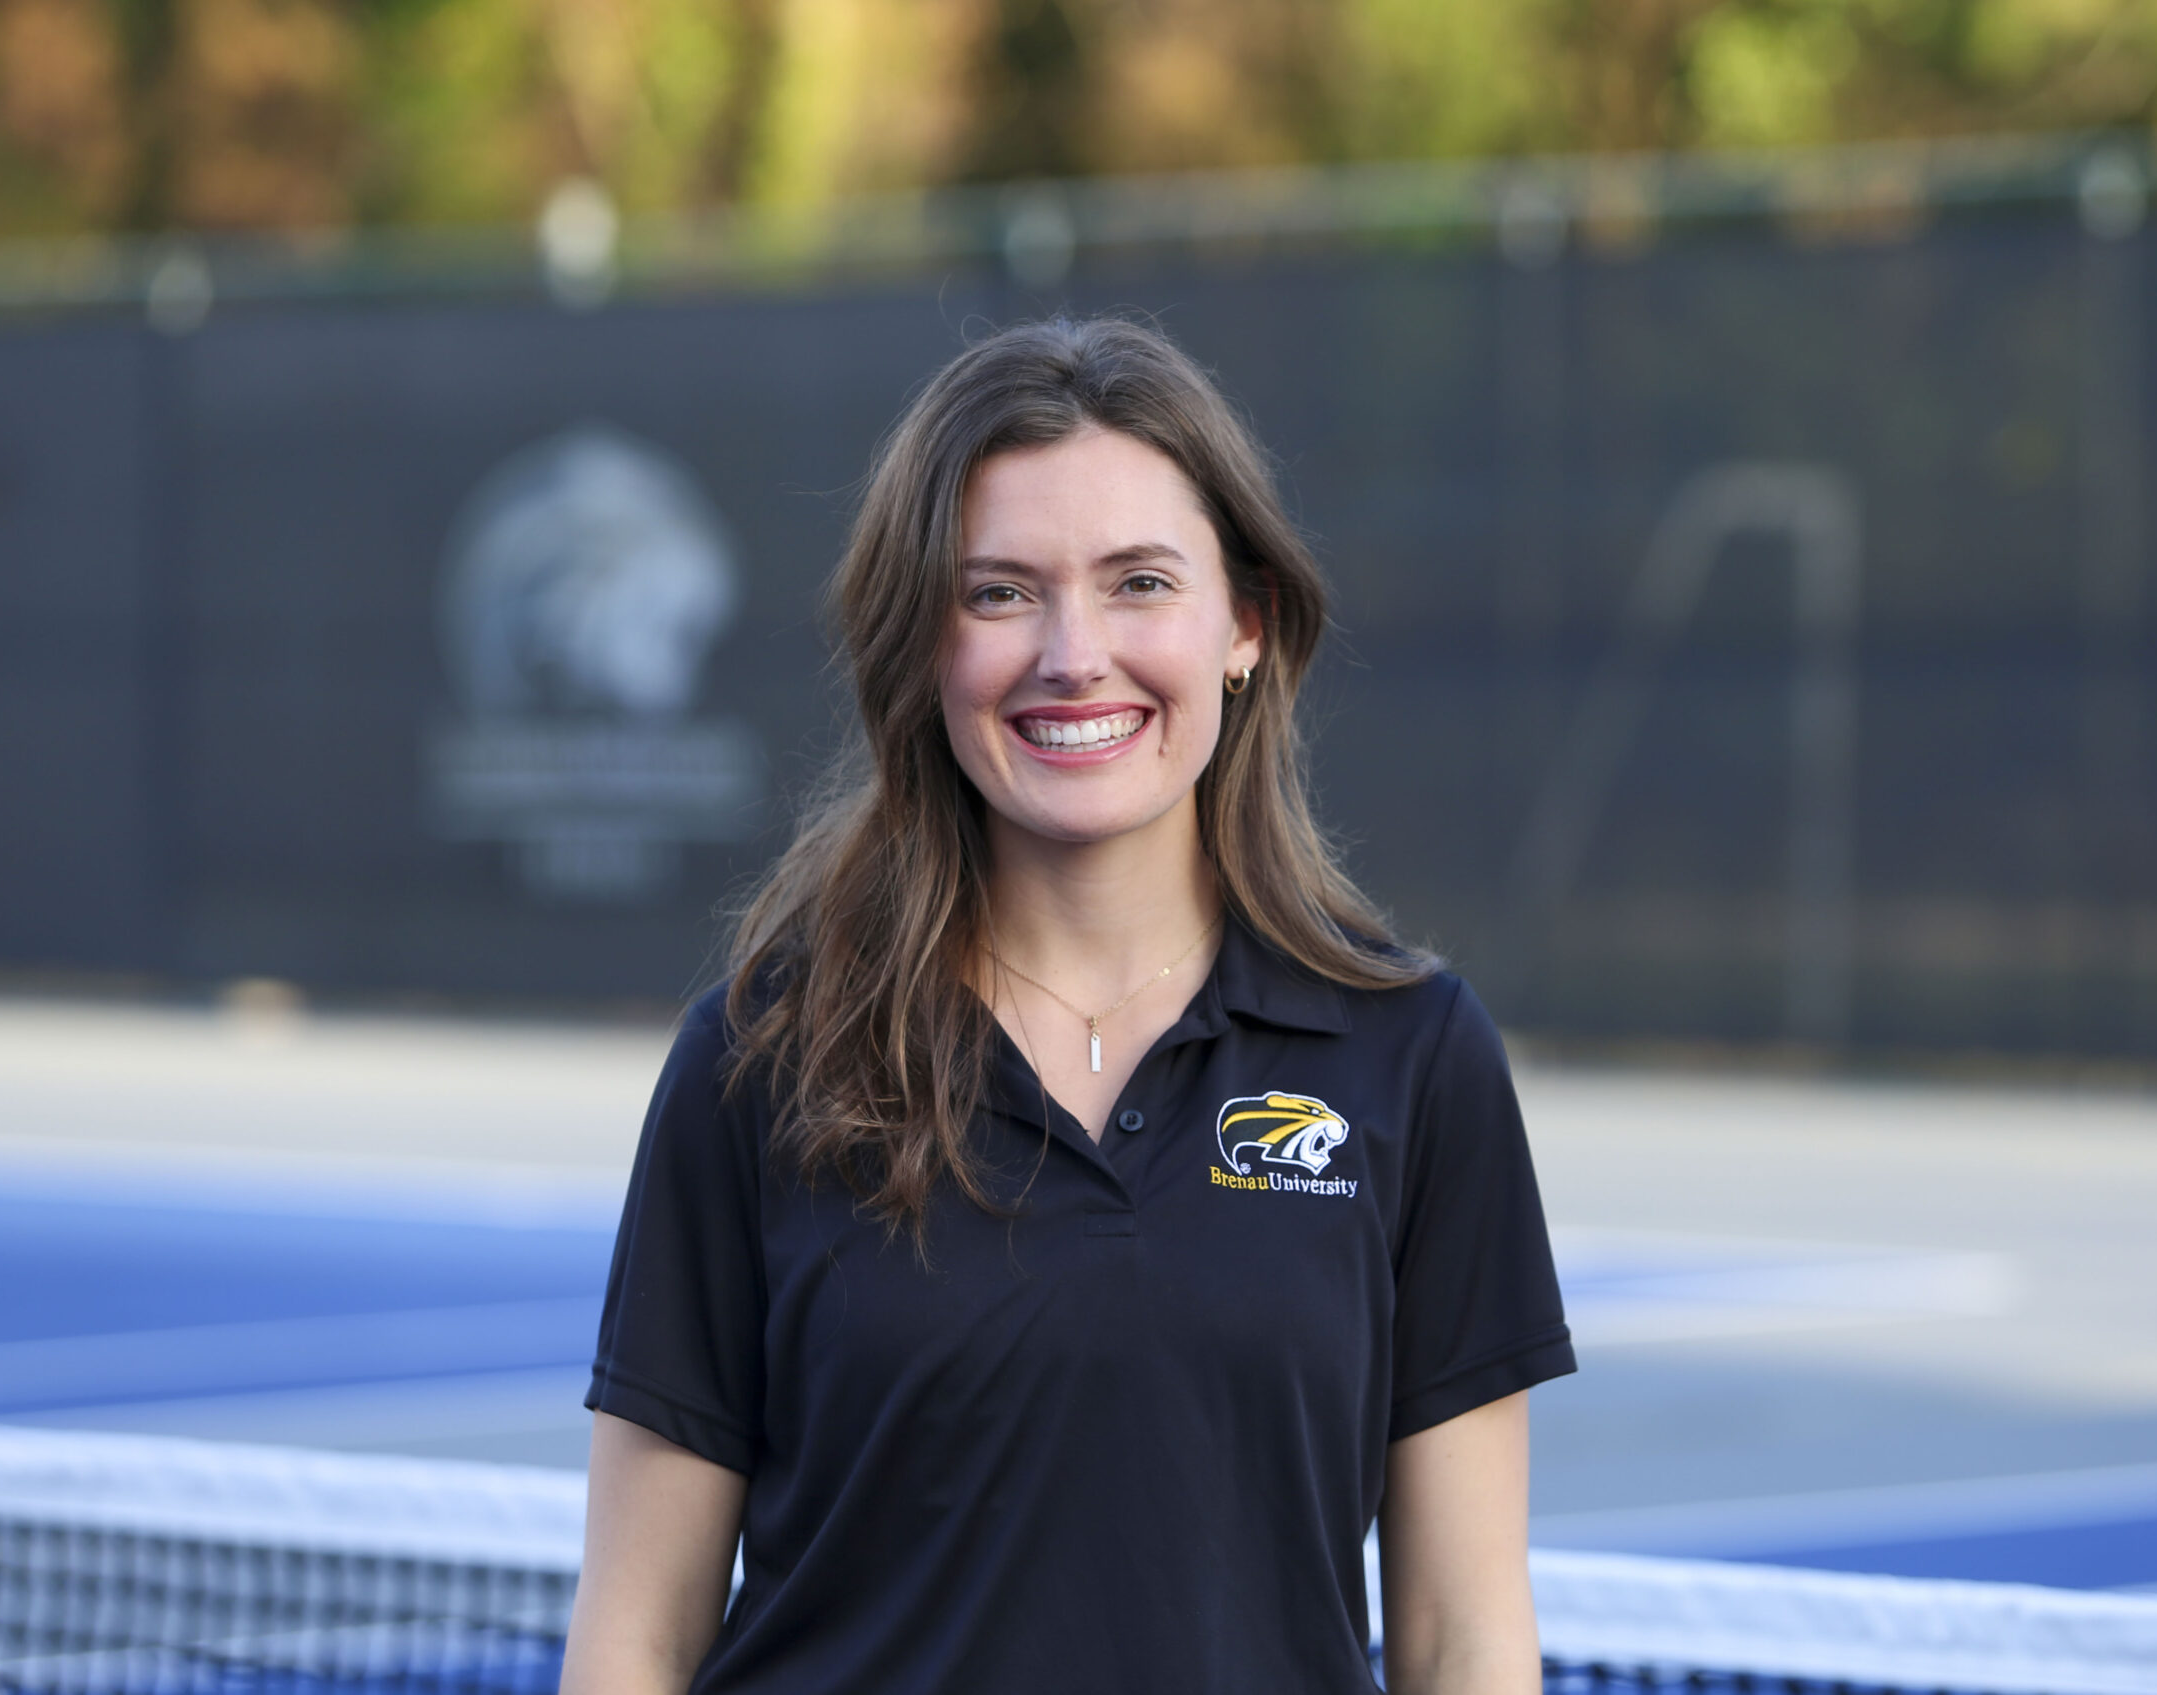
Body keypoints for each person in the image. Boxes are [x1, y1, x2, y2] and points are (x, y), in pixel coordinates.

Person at [561, 317, 1575, 1695]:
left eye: (1140, 583)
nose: (1072, 655)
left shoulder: (1412, 1056)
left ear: (1245, 626)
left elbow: (1463, 1640)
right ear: (922, 646)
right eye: (998, 594)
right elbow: (636, 1638)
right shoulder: (761, 1060)